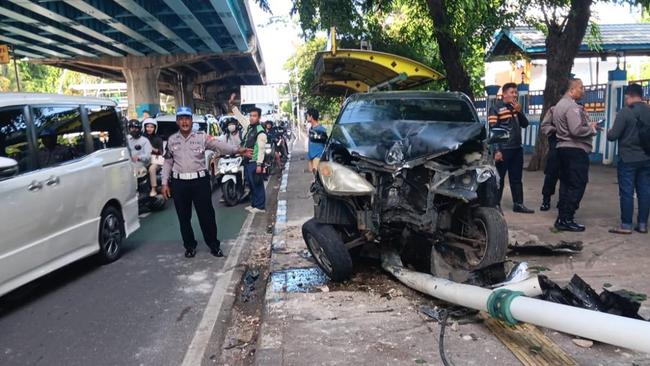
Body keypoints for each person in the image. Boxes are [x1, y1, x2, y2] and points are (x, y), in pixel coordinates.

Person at [161, 107, 252, 258]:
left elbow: (219, 145)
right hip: (180, 183)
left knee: (206, 216)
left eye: (187, 118)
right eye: (181, 118)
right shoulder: (172, 140)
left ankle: (214, 245)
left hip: (200, 182)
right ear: (177, 121)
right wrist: (164, 183)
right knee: (184, 218)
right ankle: (189, 246)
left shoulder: (202, 137)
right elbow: (167, 163)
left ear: (191, 120)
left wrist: (237, 150)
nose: (184, 121)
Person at [553, 78, 598, 232]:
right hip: (574, 150)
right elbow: (576, 130)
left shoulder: (559, 105)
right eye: (581, 87)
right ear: (572, 89)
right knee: (577, 183)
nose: (583, 90)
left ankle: (562, 218)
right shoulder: (571, 106)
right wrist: (591, 129)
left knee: (566, 183)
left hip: (563, 149)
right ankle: (567, 218)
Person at [606, 83, 650, 234]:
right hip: (646, 158)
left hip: (628, 159)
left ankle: (626, 225)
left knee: (627, 192)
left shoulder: (625, 112)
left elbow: (612, 136)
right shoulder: (649, 111)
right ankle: (643, 224)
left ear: (628, 95)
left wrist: (609, 131)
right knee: (645, 190)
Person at [487, 83, 534, 214]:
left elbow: (525, 124)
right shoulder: (495, 108)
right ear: (504, 93)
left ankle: (518, 204)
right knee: (499, 179)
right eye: (512, 92)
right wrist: (496, 150)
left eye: (516, 92)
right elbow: (493, 130)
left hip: (517, 148)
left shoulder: (516, 108)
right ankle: (495, 206)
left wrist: (520, 112)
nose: (515, 95)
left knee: (516, 178)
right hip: (503, 149)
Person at [233, 106, 267, 213]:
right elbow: (241, 119)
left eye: (254, 116)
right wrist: (233, 107)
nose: (252, 118)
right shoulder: (250, 127)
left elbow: (261, 149)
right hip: (247, 161)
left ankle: (260, 207)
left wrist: (259, 164)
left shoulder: (260, 131)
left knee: (257, 184)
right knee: (251, 185)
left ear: (259, 117)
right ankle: (254, 204)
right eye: (250, 116)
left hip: (254, 161)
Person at [539, 106, 558, 211]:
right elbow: (544, 127)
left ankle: (564, 203)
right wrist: (556, 129)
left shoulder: (578, 108)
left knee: (568, 178)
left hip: (571, 149)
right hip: (555, 147)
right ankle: (546, 200)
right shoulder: (553, 110)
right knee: (550, 176)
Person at [143, 118, 164, 197]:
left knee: (152, 169)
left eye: (151, 127)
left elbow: (160, 152)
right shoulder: (141, 138)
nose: (149, 128)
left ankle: (153, 188)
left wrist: (151, 148)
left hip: (155, 161)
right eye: (147, 126)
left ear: (155, 128)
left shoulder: (158, 139)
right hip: (144, 160)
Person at [306, 108, 327, 174]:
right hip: (311, 156)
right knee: (314, 176)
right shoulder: (310, 129)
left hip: (318, 156)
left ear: (311, 116)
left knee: (318, 176)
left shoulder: (321, 129)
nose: (306, 117)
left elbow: (325, 143)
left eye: (307, 116)